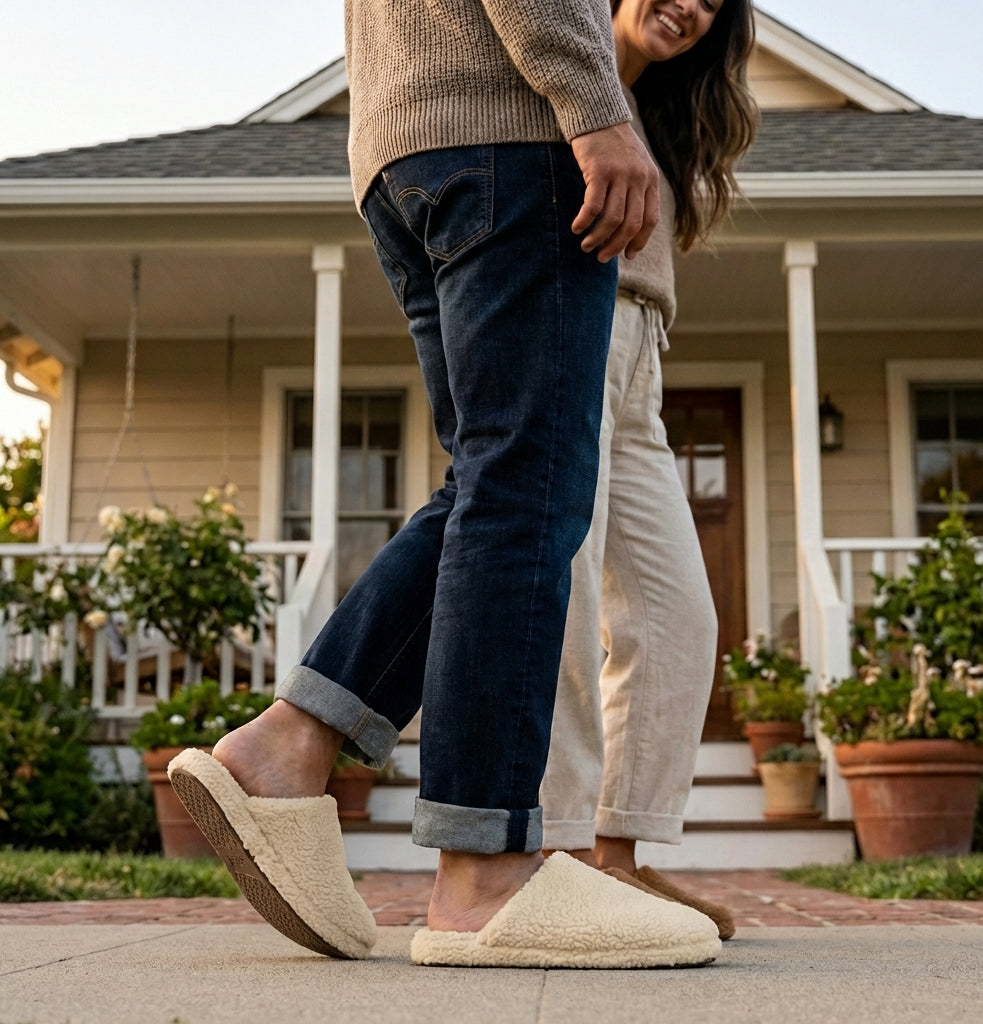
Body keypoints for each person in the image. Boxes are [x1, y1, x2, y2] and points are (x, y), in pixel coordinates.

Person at [167, 0, 724, 970]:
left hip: (410, 143)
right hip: (511, 136)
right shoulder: (577, 99)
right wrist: (597, 110)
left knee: (493, 485)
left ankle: (287, 747)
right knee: (522, 497)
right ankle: (485, 875)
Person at [539, 0, 759, 940]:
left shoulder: (645, 117)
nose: (691, 7)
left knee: (677, 615)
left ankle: (615, 858)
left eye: (713, 3)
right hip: (573, 325)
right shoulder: (561, 77)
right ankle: (551, 853)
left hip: (642, 359)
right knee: (567, 590)